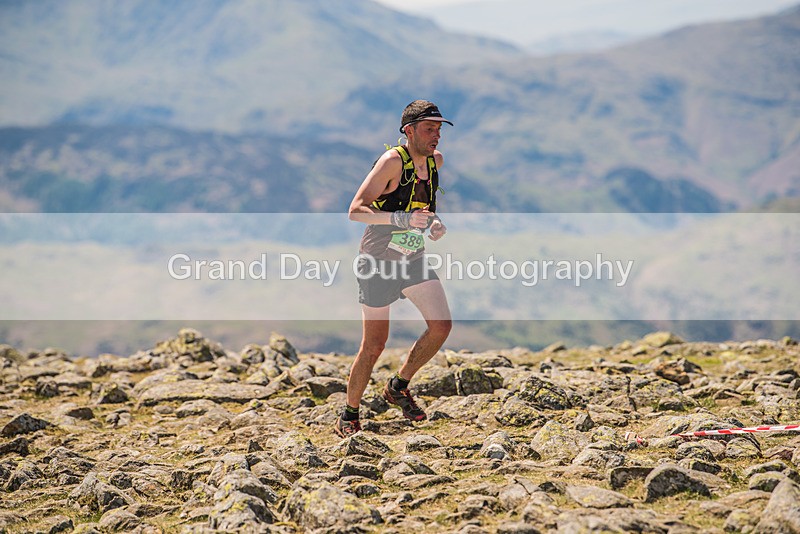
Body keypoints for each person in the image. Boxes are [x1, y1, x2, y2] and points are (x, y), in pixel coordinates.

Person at [335, 100, 454, 438]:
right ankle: (349, 414)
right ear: (409, 131)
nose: (437, 136)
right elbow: (355, 210)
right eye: (430, 129)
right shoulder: (391, 162)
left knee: (441, 326)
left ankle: (398, 386)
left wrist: (433, 225)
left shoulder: (434, 163)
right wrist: (401, 219)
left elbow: (425, 208)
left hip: (413, 258)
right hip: (378, 262)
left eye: (439, 129)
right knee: (374, 345)